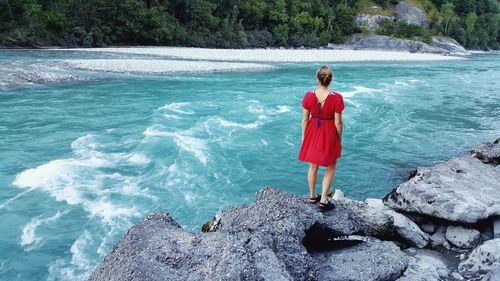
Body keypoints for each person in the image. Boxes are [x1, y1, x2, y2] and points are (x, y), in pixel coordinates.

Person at [298, 65, 344, 211]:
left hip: (313, 130)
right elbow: (338, 122)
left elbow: (305, 119)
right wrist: (339, 138)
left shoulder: (308, 95)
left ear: (317, 79)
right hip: (329, 131)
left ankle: (312, 196)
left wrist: (304, 136)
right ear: (330, 80)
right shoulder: (337, 97)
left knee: (313, 166)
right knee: (330, 166)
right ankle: (323, 199)